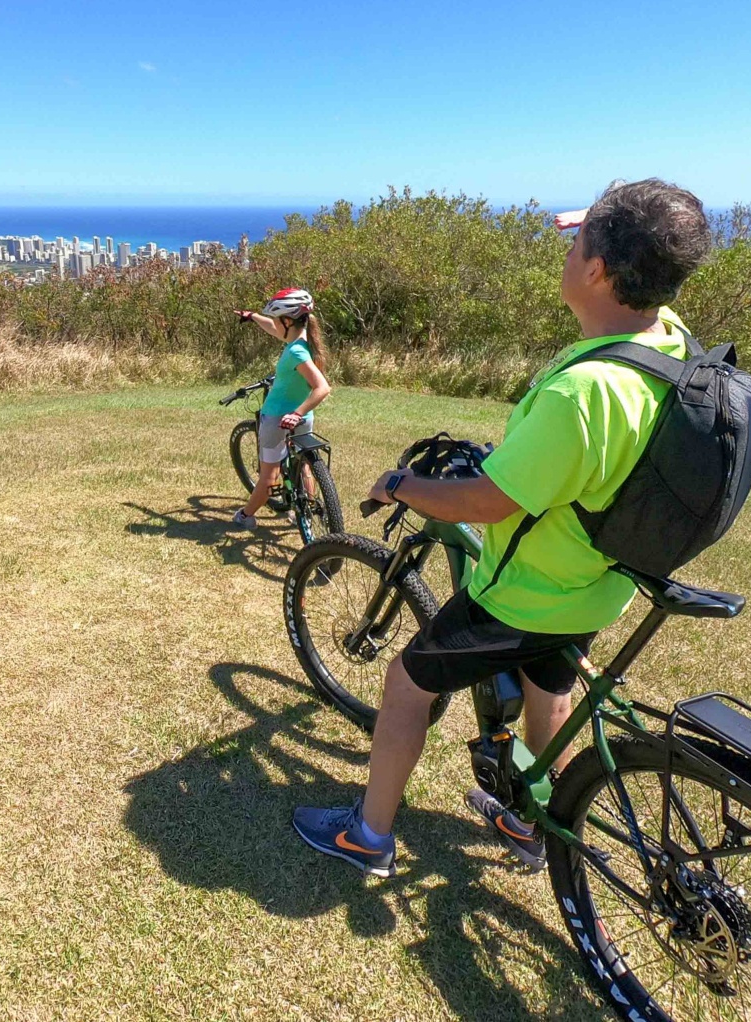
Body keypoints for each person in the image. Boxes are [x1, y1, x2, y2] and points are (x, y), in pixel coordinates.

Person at [292, 179, 713, 877]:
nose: (569, 251)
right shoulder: (666, 342)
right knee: (550, 690)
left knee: (405, 685)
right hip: (599, 579)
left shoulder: (584, 393)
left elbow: (488, 504)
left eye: (580, 244)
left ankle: (367, 837)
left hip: (530, 592)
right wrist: (613, 226)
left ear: (598, 270)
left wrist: (400, 484)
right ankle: (527, 822)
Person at [231, 288, 331, 530]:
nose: (275, 325)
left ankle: (245, 516)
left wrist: (293, 414)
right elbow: (274, 330)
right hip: (304, 418)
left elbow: (323, 388)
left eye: (277, 320)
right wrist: (253, 316)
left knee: (268, 476)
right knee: (304, 465)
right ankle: (304, 510)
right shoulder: (305, 340)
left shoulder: (295, 351)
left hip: (277, 418)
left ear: (287, 321)